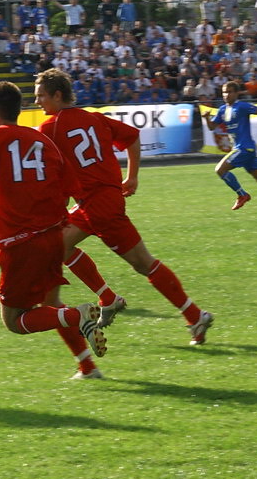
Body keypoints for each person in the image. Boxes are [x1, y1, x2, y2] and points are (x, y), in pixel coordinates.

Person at [34, 68, 214, 345]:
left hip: (99, 204)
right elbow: (131, 137)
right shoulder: (94, 118)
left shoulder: (51, 127)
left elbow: (49, 169)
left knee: (144, 263)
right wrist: (132, 176)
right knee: (57, 246)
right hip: (95, 200)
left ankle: (195, 316)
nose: (37, 102)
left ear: (57, 96)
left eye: (41, 96)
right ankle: (108, 298)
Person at [0, 81, 107, 379]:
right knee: (50, 304)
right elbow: (69, 188)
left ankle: (77, 316)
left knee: (14, 320)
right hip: (54, 236)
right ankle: (88, 366)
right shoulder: (42, 140)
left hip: (18, 242)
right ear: (19, 110)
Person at [201, 80, 257, 212]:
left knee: (220, 170)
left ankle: (242, 194)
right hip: (245, 149)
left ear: (236, 93)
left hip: (244, 148)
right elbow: (212, 127)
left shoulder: (242, 106)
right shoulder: (222, 110)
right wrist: (206, 118)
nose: (226, 95)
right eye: (224, 92)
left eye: (229, 92)